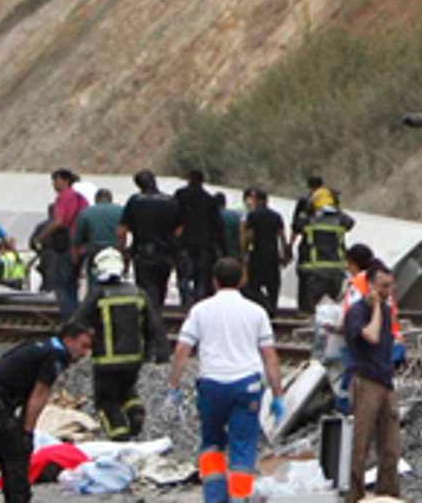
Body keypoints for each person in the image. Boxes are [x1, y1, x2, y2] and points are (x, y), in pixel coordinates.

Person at [168, 257, 286, 503]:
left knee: (211, 444)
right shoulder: (256, 312)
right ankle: (238, 497)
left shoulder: (200, 310)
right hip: (247, 385)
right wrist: (277, 394)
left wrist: (174, 385)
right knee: (242, 447)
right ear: (242, 279)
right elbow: (270, 356)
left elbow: (182, 349)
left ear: (214, 281)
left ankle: (214, 497)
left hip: (211, 385)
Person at [0, 323, 94, 503]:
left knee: (9, 451)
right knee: (17, 451)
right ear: (69, 339)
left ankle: (14, 497)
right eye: (83, 346)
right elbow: (39, 394)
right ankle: (19, 499)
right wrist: (28, 431)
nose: (84, 353)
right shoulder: (57, 354)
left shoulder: (45, 346)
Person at [75, 248, 166, 441]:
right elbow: (154, 325)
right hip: (134, 359)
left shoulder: (98, 294)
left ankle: (119, 438)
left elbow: (78, 322)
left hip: (105, 361)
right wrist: (156, 352)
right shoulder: (137, 292)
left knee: (107, 401)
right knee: (127, 389)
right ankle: (135, 411)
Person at [343, 264, 402, 501]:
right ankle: (354, 494)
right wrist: (376, 305)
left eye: (390, 286)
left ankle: (387, 492)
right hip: (366, 380)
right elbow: (372, 335)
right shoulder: (357, 313)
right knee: (361, 443)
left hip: (385, 380)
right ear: (370, 286)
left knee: (390, 445)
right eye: (383, 287)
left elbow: (388, 341)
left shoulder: (388, 311)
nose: (389, 291)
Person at [119, 170, 181, 312]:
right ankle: (157, 313)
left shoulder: (135, 201)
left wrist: (123, 251)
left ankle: (150, 319)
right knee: (161, 286)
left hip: (142, 252)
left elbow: (122, 229)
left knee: (145, 289)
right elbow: (179, 229)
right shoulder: (171, 201)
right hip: (166, 252)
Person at [175, 171, 225, 306]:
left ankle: (186, 303)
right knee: (201, 278)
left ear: (189, 179)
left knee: (184, 277)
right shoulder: (209, 200)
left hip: (184, 243)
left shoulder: (180, 195)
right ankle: (199, 303)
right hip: (204, 244)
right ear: (202, 181)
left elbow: (173, 218)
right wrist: (222, 249)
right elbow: (218, 226)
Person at [294, 200, 353, 314]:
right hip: (336, 270)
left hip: (315, 270)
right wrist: (337, 209)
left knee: (312, 308)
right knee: (331, 306)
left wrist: (307, 209)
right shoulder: (339, 221)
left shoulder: (309, 220)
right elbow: (350, 222)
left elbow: (297, 225)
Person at [241, 188, 289, 315]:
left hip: (257, 254)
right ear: (267, 201)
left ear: (256, 200)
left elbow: (249, 235)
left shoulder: (253, 215)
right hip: (272, 255)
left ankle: (260, 307)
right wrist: (285, 255)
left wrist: (244, 252)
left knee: (253, 286)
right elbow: (282, 237)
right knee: (273, 286)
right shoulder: (276, 216)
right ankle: (272, 308)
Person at [46, 170, 88, 316]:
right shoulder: (80, 198)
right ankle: (77, 317)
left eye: (55, 180)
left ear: (64, 181)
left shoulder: (63, 197)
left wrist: (41, 236)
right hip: (80, 246)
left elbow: (59, 221)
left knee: (63, 286)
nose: (53, 184)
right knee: (72, 285)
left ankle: (69, 320)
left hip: (66, 246)